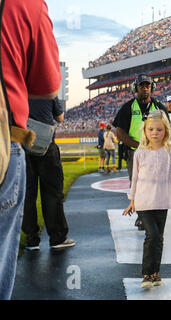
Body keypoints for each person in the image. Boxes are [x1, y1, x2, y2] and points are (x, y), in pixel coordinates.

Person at [0, 0, 60, 300]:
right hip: (10, 137)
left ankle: (34, 237)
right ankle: (50, 236)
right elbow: (48, 85)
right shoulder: (28, 4)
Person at [123, 111, 171, 289]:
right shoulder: (140, 153)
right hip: (143, 202)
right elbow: (134, 179)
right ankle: (146, 274)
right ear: (145, 131)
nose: (155, 133)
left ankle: (156, 274)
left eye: (159, 129)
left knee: (159, 238)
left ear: (165, 131)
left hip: (162, 201)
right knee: (153, 235)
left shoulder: (169, 150)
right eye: (151, 129)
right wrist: (132, 200)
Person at [112, 74, 170, 230]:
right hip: (135, 153)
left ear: (152, 88)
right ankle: (142, 216)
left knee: (156, 184)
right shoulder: (128, 107)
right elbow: (120, 132)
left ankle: (155, 214)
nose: (145, 88)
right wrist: (140, 146)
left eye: (148, 86)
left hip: (156, 153)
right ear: (135, 88)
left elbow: (168, 128)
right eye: (142, 86)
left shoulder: (159, 107)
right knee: (137, 184)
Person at [22, 97, 75, 251]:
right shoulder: (47, 89)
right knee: (52, 193)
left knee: (28, 194)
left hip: (23, 143)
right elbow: (60, 118)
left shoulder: (18, 87)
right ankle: (57, 236)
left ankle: (31, 240)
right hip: (45, 144)